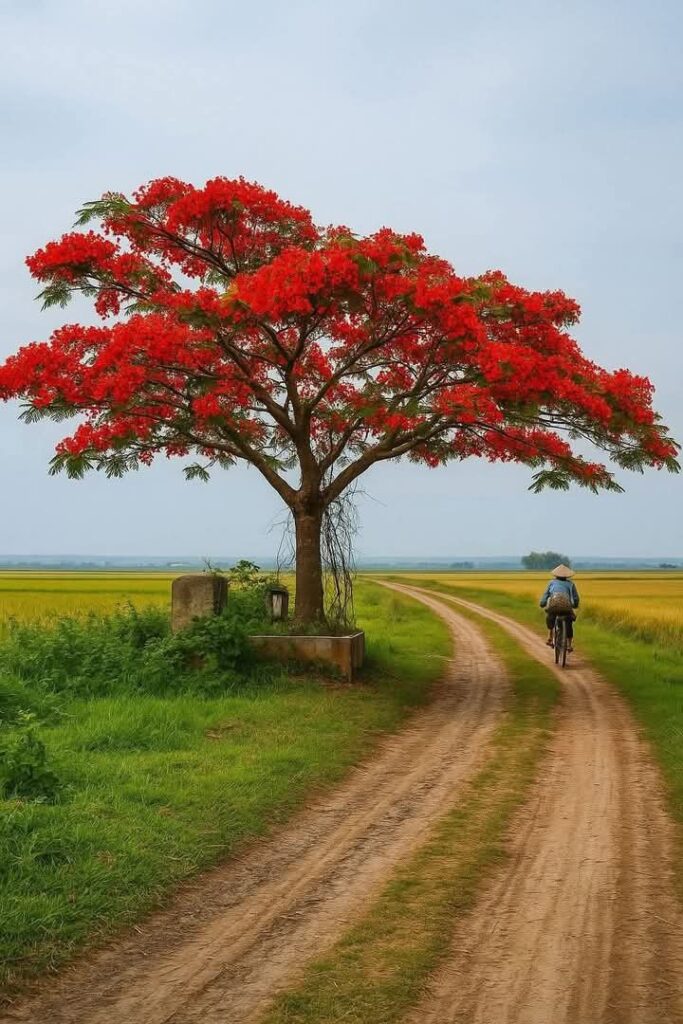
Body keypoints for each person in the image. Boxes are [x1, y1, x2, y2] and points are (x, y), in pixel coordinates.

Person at [539, 564, 579, 652]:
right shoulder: (571, 584)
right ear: (567, 576)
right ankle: (569, 644)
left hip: (553, 606)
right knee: (569, 621)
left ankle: (550, 637)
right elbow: (575, 598)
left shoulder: (551, 583)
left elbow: (546, 595)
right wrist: (575, 605)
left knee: (550, 616)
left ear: (556, 575)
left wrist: (542, 603)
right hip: (567, 607)